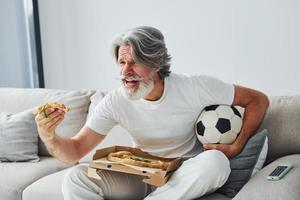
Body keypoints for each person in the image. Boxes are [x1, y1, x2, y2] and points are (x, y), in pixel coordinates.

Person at [35, 26, 269, 200]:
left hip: (185, 173)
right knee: (74, 178)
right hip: (141, 176)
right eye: (121, 62)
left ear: (156, 63)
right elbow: (75, 151)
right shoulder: (115, 101)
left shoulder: (195, 87)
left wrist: (237, 145)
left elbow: (257, 100)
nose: (126, 71)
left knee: (216, 163)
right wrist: (49, 136)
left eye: (135, 62)